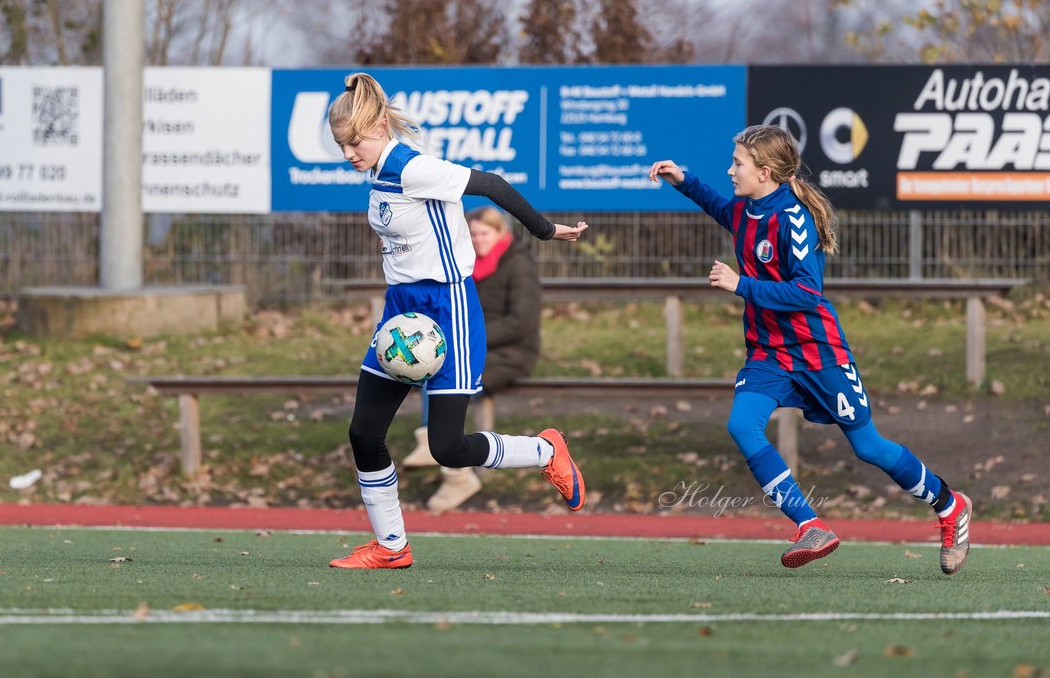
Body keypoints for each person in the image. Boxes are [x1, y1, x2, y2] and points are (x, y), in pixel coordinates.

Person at [649, 125, 972, 574]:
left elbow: (806, 293)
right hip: (768, 352)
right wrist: (683, 180)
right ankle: (809, 524)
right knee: (742, 425)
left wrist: (740, 284)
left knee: (869, 447)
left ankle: (949, 505)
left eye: (738, 164)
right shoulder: (746, 208)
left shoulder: (793, 218)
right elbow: (721, 207)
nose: (730, 170)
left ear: (764, 172)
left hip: (818, 352)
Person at [327, 71, 588, 570]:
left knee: (448, 446)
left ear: (380, 125)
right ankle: (391, 546)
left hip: (449, 311)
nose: (348, 154)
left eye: (354, 141)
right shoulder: (379, 171)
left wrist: (546, 230)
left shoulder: (410, 165)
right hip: (401, 313)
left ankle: (544, 450)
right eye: (342, 145)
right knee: (364, 433)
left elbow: (490, 184)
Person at [406, 206, 545, 512]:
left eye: (485, 233)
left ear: (501, 233)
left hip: (511, 352)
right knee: (428, 367)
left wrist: (468, 337)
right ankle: (448, 464)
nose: (478, 240)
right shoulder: (466, 263)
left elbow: (520, 323)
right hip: (473, 347)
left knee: (448, 380)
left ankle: (451, 469)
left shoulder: (519, 265)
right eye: (473, 234)